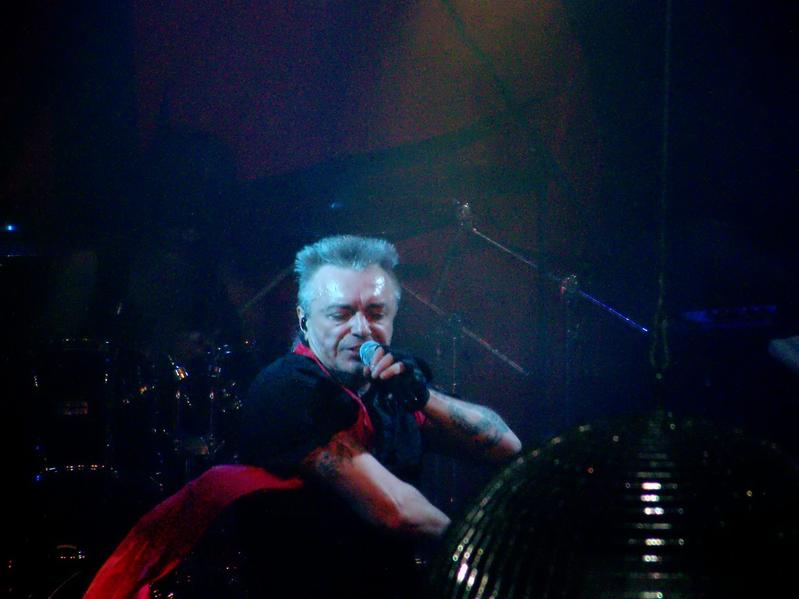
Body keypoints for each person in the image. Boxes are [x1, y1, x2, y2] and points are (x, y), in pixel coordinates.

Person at [236, 234, 522, 598]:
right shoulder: (289, 388)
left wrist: (422, 397)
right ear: (304, 321)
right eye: (340, 314)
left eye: (375, 313)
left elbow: (507, 448)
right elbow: (394, 509)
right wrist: (484, 554)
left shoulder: (391, 383)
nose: (361, 329)